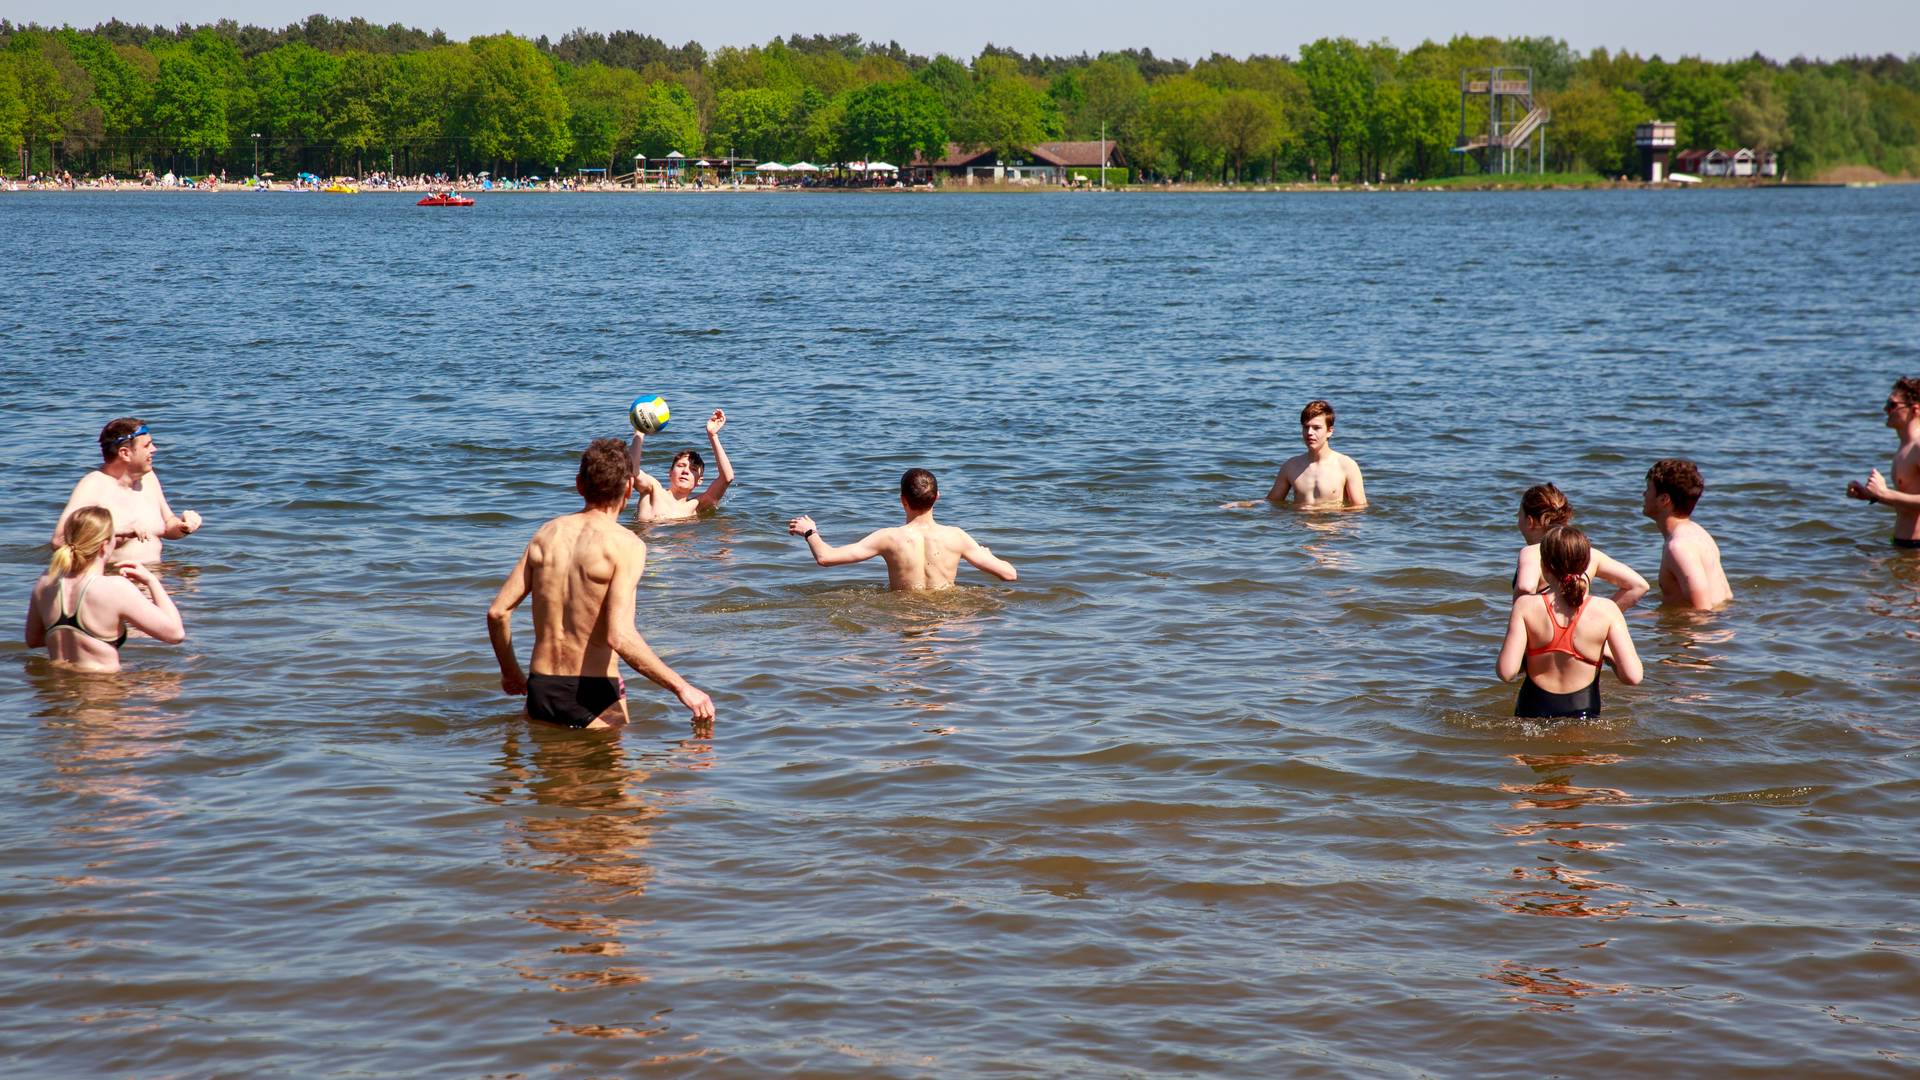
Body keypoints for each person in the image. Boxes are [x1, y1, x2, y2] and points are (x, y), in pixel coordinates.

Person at [487, 438, 715, 731]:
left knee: (548, 760)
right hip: (593, 693)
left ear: (579, 485)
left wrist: (510, 673)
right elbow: (619, 636)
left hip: (540, 687)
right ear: (628, 489)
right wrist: (683, 687)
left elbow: (498, 613)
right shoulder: (626, 544)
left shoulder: (547, 534)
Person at [1497, 525, 1643, 720]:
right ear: (1585, 565)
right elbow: (1633, 677)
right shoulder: (1607, 610)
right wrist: (1606, 653)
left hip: (1531, 714)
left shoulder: (1525, 606)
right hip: (1584, 715)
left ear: (1544, 566)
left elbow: (1506, 673)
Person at [787, 469, 1017, 591]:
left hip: (904, 614)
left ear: (902, 500)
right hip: (946, 617)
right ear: (937, 497)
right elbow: (1009, 575)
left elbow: (826, 558)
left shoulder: (889, 538)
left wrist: (810, 532)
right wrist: (988, 556)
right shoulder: (956, 536)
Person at [25, 506, 185, 673]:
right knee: (168, 683)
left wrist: (72, 638)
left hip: (56, 684)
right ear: (105, 545)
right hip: (102, 686)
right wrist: (152, 581)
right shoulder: (115, 587)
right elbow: (175, 634)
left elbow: (33, 641)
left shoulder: (46, 581)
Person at [52, 418, 202, 566]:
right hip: (114, 577)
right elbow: (59, 541)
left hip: (156, 575)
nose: (154, 449)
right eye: (147, 445)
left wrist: (184, 527)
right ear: (125, 453)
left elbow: (168, 525)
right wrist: (115, 531)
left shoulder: (148, 478)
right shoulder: (93, 485)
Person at [1512, 483, 1649, 608]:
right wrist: (1601, 616)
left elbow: (1526, 587)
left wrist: (1521, 616)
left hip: (1544, 626)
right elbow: (1638, 586)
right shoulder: (1590, 553)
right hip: (1581, 626)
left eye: (1519, 516)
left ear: (1529, 521)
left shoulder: (1531, 552)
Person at [1224, 399, 1368, 509]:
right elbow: (1272, 502)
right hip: (1299, 531)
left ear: (1329, 431)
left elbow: (1359, 509)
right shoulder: (1291, 466)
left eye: (1316, 428)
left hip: (1330, 533)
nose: (1309, 433)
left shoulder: (1347, 466)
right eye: (1306, 427)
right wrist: (1241, 505)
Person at [1642, 458, 1733, 609]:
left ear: (1664, 499)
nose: (1643, 494)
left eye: (1648, 489)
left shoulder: (1678, 547)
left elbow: (1702, 612)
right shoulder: (1698, 533)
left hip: (1708, 623)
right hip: (1721, 620)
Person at [1845, 376, 1920, 547]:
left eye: (1892, 405)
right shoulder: (1905, 446)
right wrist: (1873, 496)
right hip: (1903, 545)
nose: (1885, 409)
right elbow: (1907, 504)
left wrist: (1885, 493)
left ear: (1915, 410)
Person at [628, 409, 734, 522]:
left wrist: (713, 435)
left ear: (699, 481)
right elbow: (632, 471)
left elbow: (726, 478)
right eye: (681, 465)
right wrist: (639, 431)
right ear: (670, 472)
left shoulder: (696, 505)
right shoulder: (653, 490)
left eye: (693, 469)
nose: (685, 471)